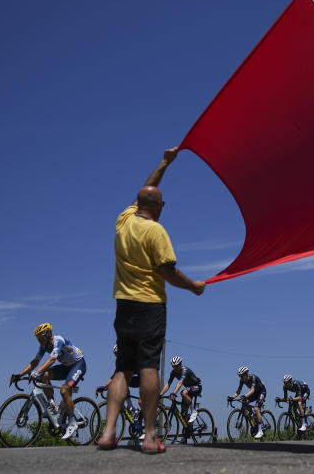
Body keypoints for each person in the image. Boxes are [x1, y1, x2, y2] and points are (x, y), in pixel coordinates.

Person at [98, 147, 207, 454]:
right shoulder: (156, 231)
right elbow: (168, 273)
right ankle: (149, 436)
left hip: (123, 304)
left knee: (123, 368)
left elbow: (141, 194)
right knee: (148, 367)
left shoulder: (124, 222)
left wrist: (164, 164)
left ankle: (108, 434)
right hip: (149, 305)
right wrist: (194, 286)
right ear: (159, 206)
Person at [11, 323, 86, 440]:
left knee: (64, 391)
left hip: (78, 364)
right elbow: (35, 362)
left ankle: (72, 423)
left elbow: (51, 360)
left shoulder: (58, 341)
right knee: (45, 375)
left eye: (40, 338)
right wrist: (19, 374)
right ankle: (52, 404)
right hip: (66, 367)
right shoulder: (43, 346)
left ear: (48, 334)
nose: (39, 341)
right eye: (38, 339)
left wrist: (36, 372)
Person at [160, 355, 202, 424]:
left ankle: (193, 411)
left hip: (197, 386)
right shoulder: (173, 372)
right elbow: (168, 384)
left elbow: (180, 383)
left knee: (183, 392)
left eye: (177, 366)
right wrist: (160, 394)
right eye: (173, 366)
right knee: (183, 413)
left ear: (180, 365)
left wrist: (174, 393)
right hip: (189, 389)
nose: (175, 368)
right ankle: (188, 428)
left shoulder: (184, 370)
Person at [232, 366, 267, 438]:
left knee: (256, 409)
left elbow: (252, 390)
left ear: (246, 374)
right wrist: (232, 397)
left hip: (261, 392)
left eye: (241, 376)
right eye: (239, 376)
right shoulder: (242, 380)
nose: (240, 377)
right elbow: (238, 391)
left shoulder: (253, 377)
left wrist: (245, 395)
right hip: (254, 394)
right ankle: (252, 415)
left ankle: (260, 431)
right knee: (244, 402)